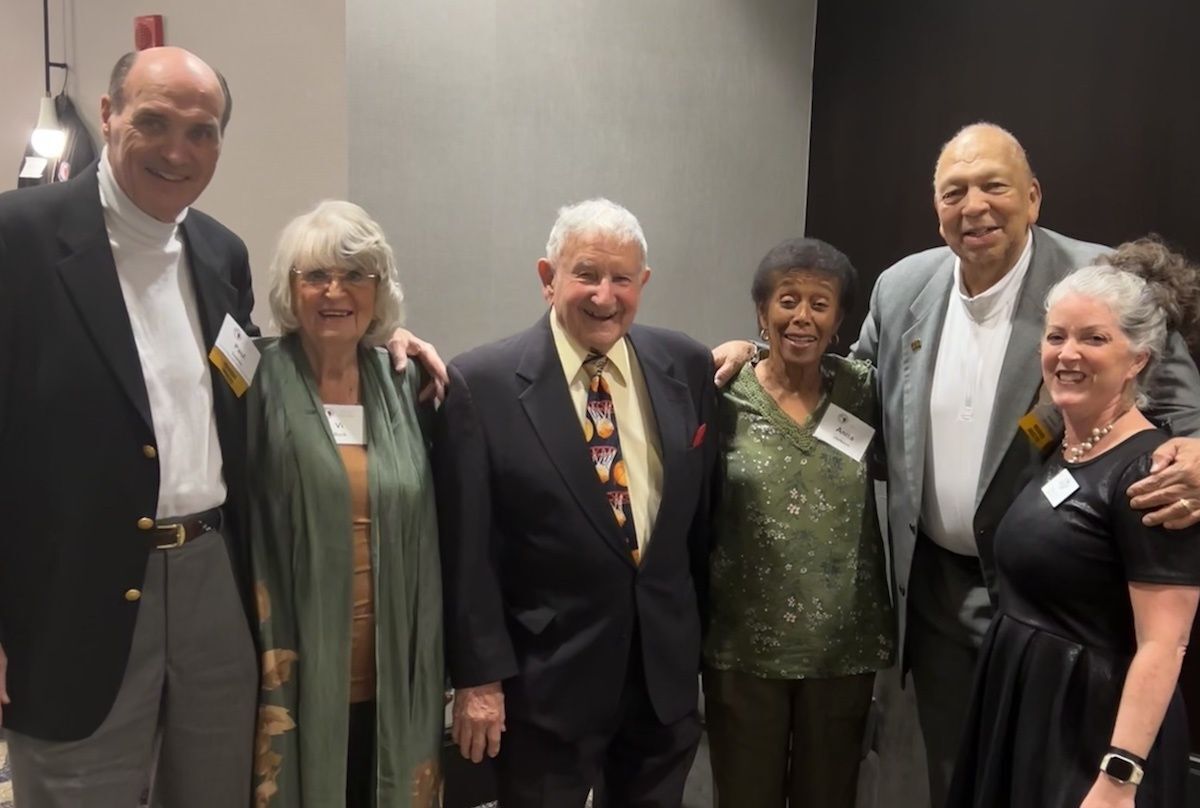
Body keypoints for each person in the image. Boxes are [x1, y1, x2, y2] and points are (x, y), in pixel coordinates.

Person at [0, 48, 444, 808]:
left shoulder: (218, 253)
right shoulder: (19, 239)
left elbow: (254, 374)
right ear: (106, 117)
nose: (178, 151)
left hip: (214, 582)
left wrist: (380, 344)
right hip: (71, 592)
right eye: (154, 123)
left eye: (201, 132)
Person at [710, 122, 1200, 807]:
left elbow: (1179, 394)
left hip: (1062, 594)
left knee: (1053, 773)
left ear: (1033, 196)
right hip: (936, 585)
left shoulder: (1098, 281)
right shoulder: (902, 285)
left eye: (994, 186)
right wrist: (754, 356)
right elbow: (850, 384)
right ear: (935, 209)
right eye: (954, 191)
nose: (974, 206)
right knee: (956, 774)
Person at [434, 198, 717, 807]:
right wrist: (477, 680)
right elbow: (468, 550)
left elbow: (702, 526)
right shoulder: (481, 384)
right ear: (547, 278)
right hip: (545, 683)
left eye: (622, 279)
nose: (604, 296)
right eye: (586, 274)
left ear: (643, 283)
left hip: (661, 679)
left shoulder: (686, 365)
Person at [947, 239, 1200, 808]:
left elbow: (1164, 644)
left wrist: (1118, 776)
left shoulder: (1154, 474)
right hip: (1026, 710)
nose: (1068, 353)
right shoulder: (1059, 444)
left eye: (1094, 338)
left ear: (1138, 359)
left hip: (1090, 735)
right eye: (1057, 335)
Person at [248, 201, 443, 808]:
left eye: (355, 275)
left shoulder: (406, 380)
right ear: (290, 288)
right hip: (291, 669)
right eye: (315, 276)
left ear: (378, 289)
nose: (335, 291)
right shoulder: (252, 376)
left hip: (394, 669)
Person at [703, 237, 894, 808]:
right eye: (787, 300)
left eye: (820, 303)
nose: (802, 317)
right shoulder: (720, 390)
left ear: (839, 319)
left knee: (829, 796)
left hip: (843, 644)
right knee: (743, 796)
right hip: (742, 644)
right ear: (762, 313)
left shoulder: (864, 388)